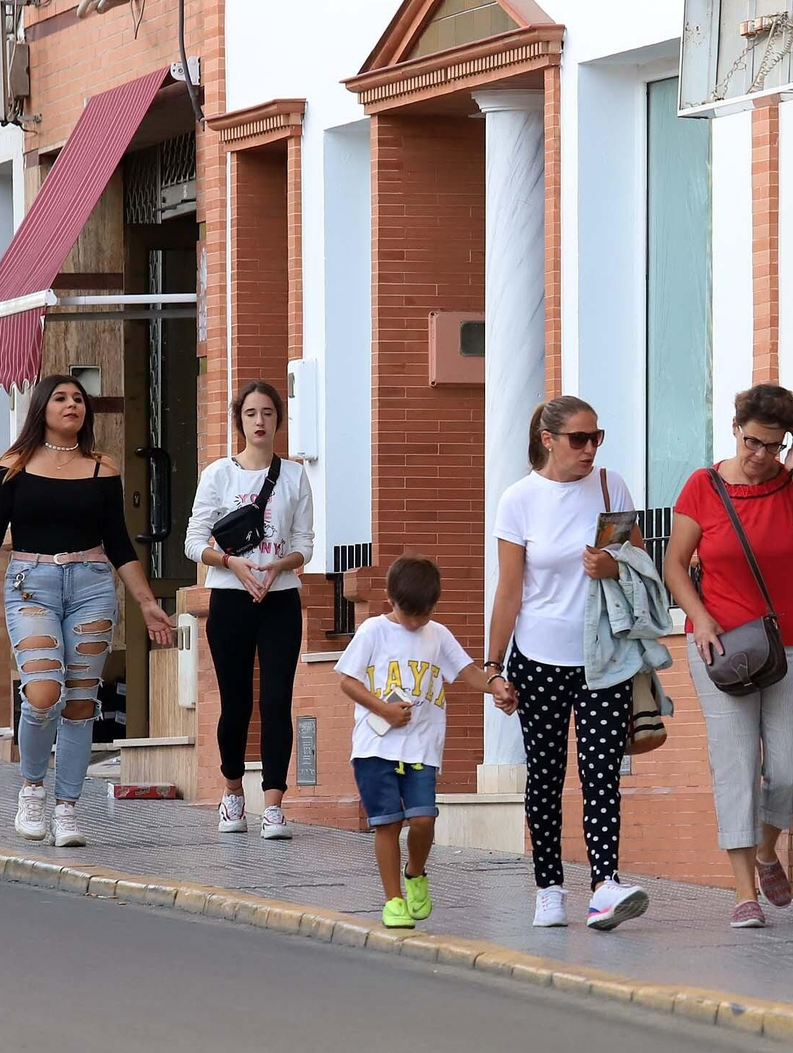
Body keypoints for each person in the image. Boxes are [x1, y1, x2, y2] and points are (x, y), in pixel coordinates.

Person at [0, 374, 175, 848]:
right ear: (42, 408)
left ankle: (67, 809)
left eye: (78, 399)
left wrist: (147, 602)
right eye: (60, 398)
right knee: (42, 693)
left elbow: (119, 542)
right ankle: (32, 788)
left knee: (79, 703)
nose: (71, 404)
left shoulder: (103, 468)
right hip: (30, 584)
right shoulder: (13, 465)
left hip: (93, 586)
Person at [663, 383, 793, 929]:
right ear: (736, 429)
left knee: (792, 766)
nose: (762, 456)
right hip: (720, 645)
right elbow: (674, 563)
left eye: (776, 447)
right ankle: (743, 892)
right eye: (755, 442)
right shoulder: (703, 487)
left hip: (790, 641)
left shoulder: (790, 485)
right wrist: (702, 617)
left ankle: (766, 850)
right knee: (735, 764)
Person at [487, 395, 652, 930]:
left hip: (603, 655)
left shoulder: (611, 486)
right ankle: (549, 887)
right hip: (538, 657)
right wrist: (493, 666)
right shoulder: (519, 499)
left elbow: (643, 566)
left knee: (602, 774)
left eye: (596, 437)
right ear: (548, 440)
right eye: (578, 439)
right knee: (545, 776)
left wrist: (613, 567)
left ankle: (605, 884)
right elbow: (510, 590)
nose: (589, 449)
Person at [335, 555, 517, 928]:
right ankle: (393, 901)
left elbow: (468, 672)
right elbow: (347, 680)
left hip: (422, 747)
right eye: (408, 614)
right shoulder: (373, 632)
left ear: (434, 606)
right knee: (387, 823)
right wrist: (383, 710)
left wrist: (496, 685)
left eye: (423, 615)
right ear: (390, 598)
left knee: (422, 819)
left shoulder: (438, 635)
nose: (415, 622)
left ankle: (415, 872)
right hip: (375, 747)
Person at [184, 381, 315, 840]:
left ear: (279, 421)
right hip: (230, 597)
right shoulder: (219, 474)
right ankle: (233, 792)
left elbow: (305, 544)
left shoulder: (295, 476)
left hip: (280, 599)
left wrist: (280, 565)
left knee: (277, 700)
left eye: (268, 414)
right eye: (251, 414)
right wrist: (231, 563)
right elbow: (193, 541)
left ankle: (275, 803)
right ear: (238, 420)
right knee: (235, 701)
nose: (260, 422)